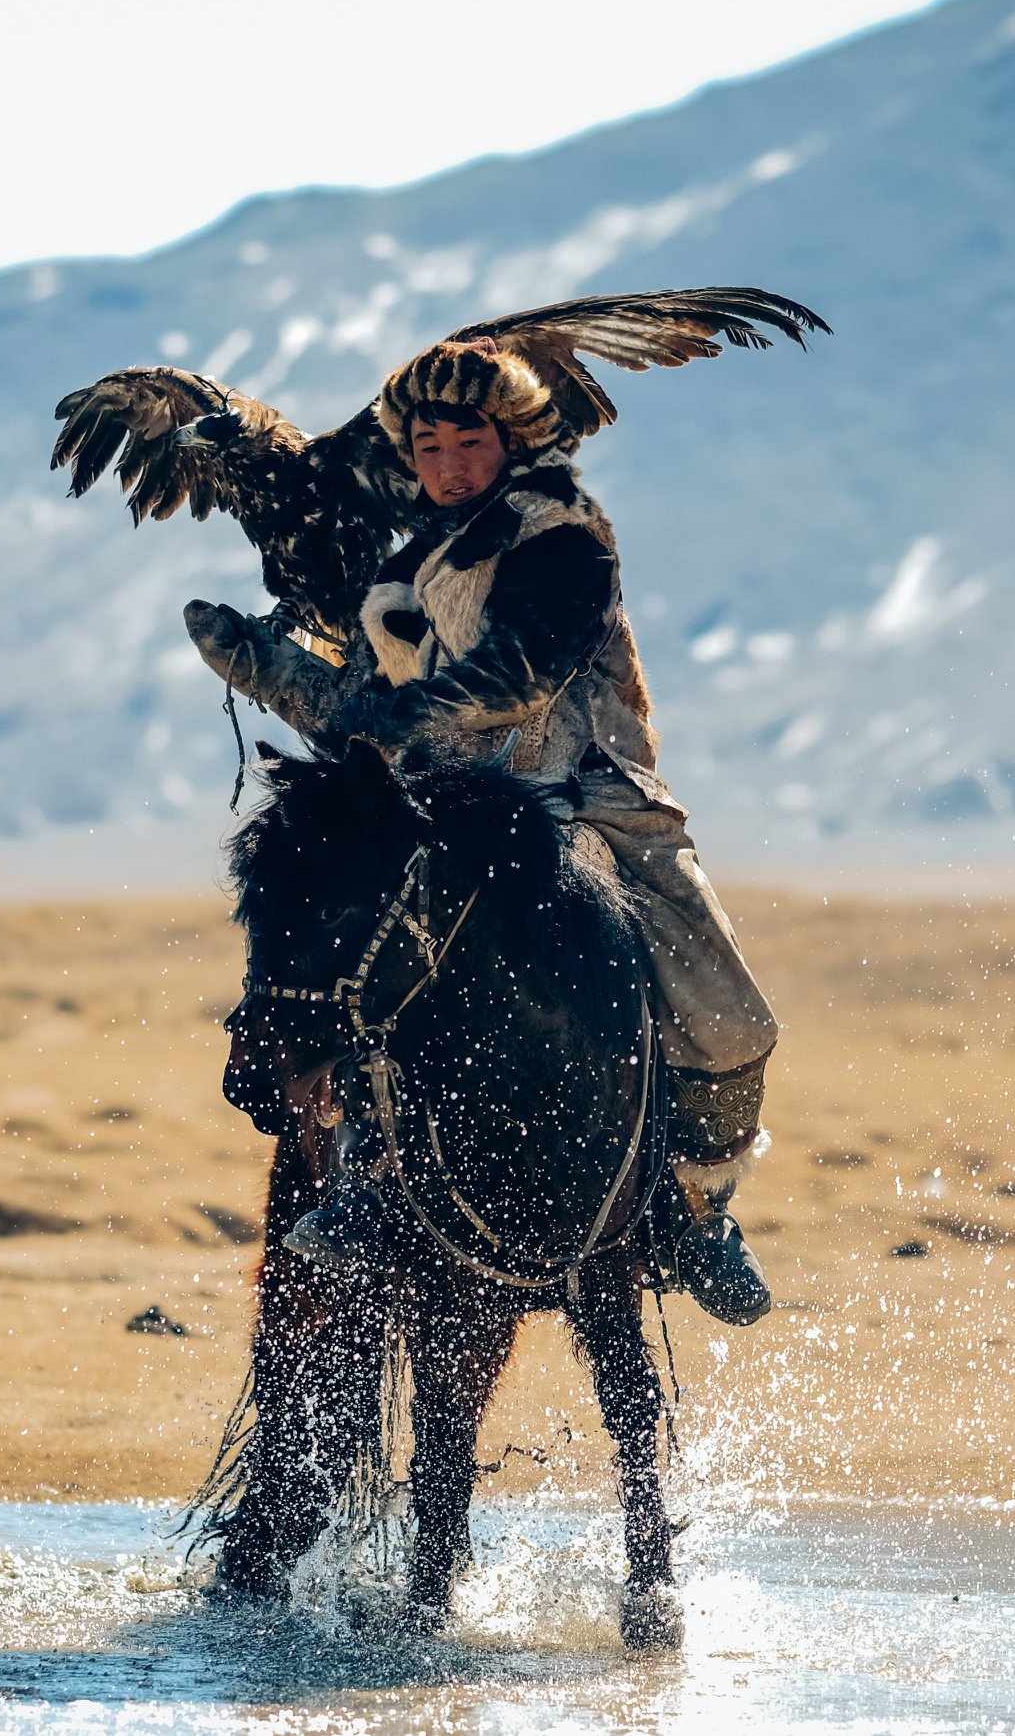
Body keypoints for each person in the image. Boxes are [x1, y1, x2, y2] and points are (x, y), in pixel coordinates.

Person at [185, 337, 777, 1324]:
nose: (451, 461)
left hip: (591, 803)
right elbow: (368, 702)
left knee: (729, 1021)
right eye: (429, 443)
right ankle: (368, 1177)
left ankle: (693, 1208)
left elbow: (520, 671)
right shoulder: (402, 569)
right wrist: (268, 671)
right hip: (450, 812)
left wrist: (398, 716)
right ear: (407, 453)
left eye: (471, 439)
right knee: (362, 967)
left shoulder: (563, 541)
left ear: (512, 438)